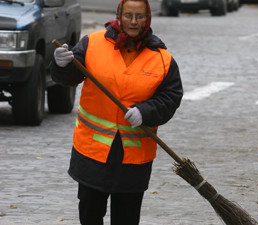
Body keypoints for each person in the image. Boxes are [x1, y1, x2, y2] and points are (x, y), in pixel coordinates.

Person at [50, 0, 183, 224]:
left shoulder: (162, 59)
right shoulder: (92, 43)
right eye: (128, 15)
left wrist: (145, 111)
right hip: (93, 152)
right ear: (119, 16)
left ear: (147, 18)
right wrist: (61, 65)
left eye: (139, 16)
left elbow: (171, 97)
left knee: (126, 218)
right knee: (90, 215)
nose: (133, 22)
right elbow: (70, 78)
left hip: (133, 159)